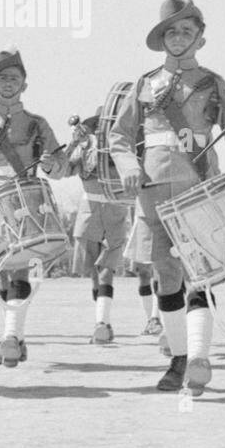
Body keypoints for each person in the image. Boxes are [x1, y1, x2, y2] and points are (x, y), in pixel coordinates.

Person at [108, 0, 225, 394]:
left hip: (199, 186)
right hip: (153, 189)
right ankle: (178, 357)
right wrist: (127, 166)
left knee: (200, 275)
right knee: (166, 275)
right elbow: (119, 136)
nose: (178, 37)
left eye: (186, 31)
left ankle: (200, 357)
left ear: (200, 38)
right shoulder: (144, 84)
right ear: (161, 39)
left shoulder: (213, 82)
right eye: (171, 31)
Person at [0, 48, 67, 365]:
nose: (8, 83)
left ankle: (10, 338)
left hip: (25, 201)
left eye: (14, 78)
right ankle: (16, 336)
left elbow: (62, 164)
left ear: (24, 84)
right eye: (2, 78)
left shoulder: (37, 124)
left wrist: (50, 162)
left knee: (19, 270)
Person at [67, 107, 133, 345]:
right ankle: (101, 322)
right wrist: (72, 144)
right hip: (91, 209)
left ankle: (101, 323)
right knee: (95, 272)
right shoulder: (85, 149)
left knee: (106, 269)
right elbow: (63, 169)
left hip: (114, 208)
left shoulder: (125, 148)